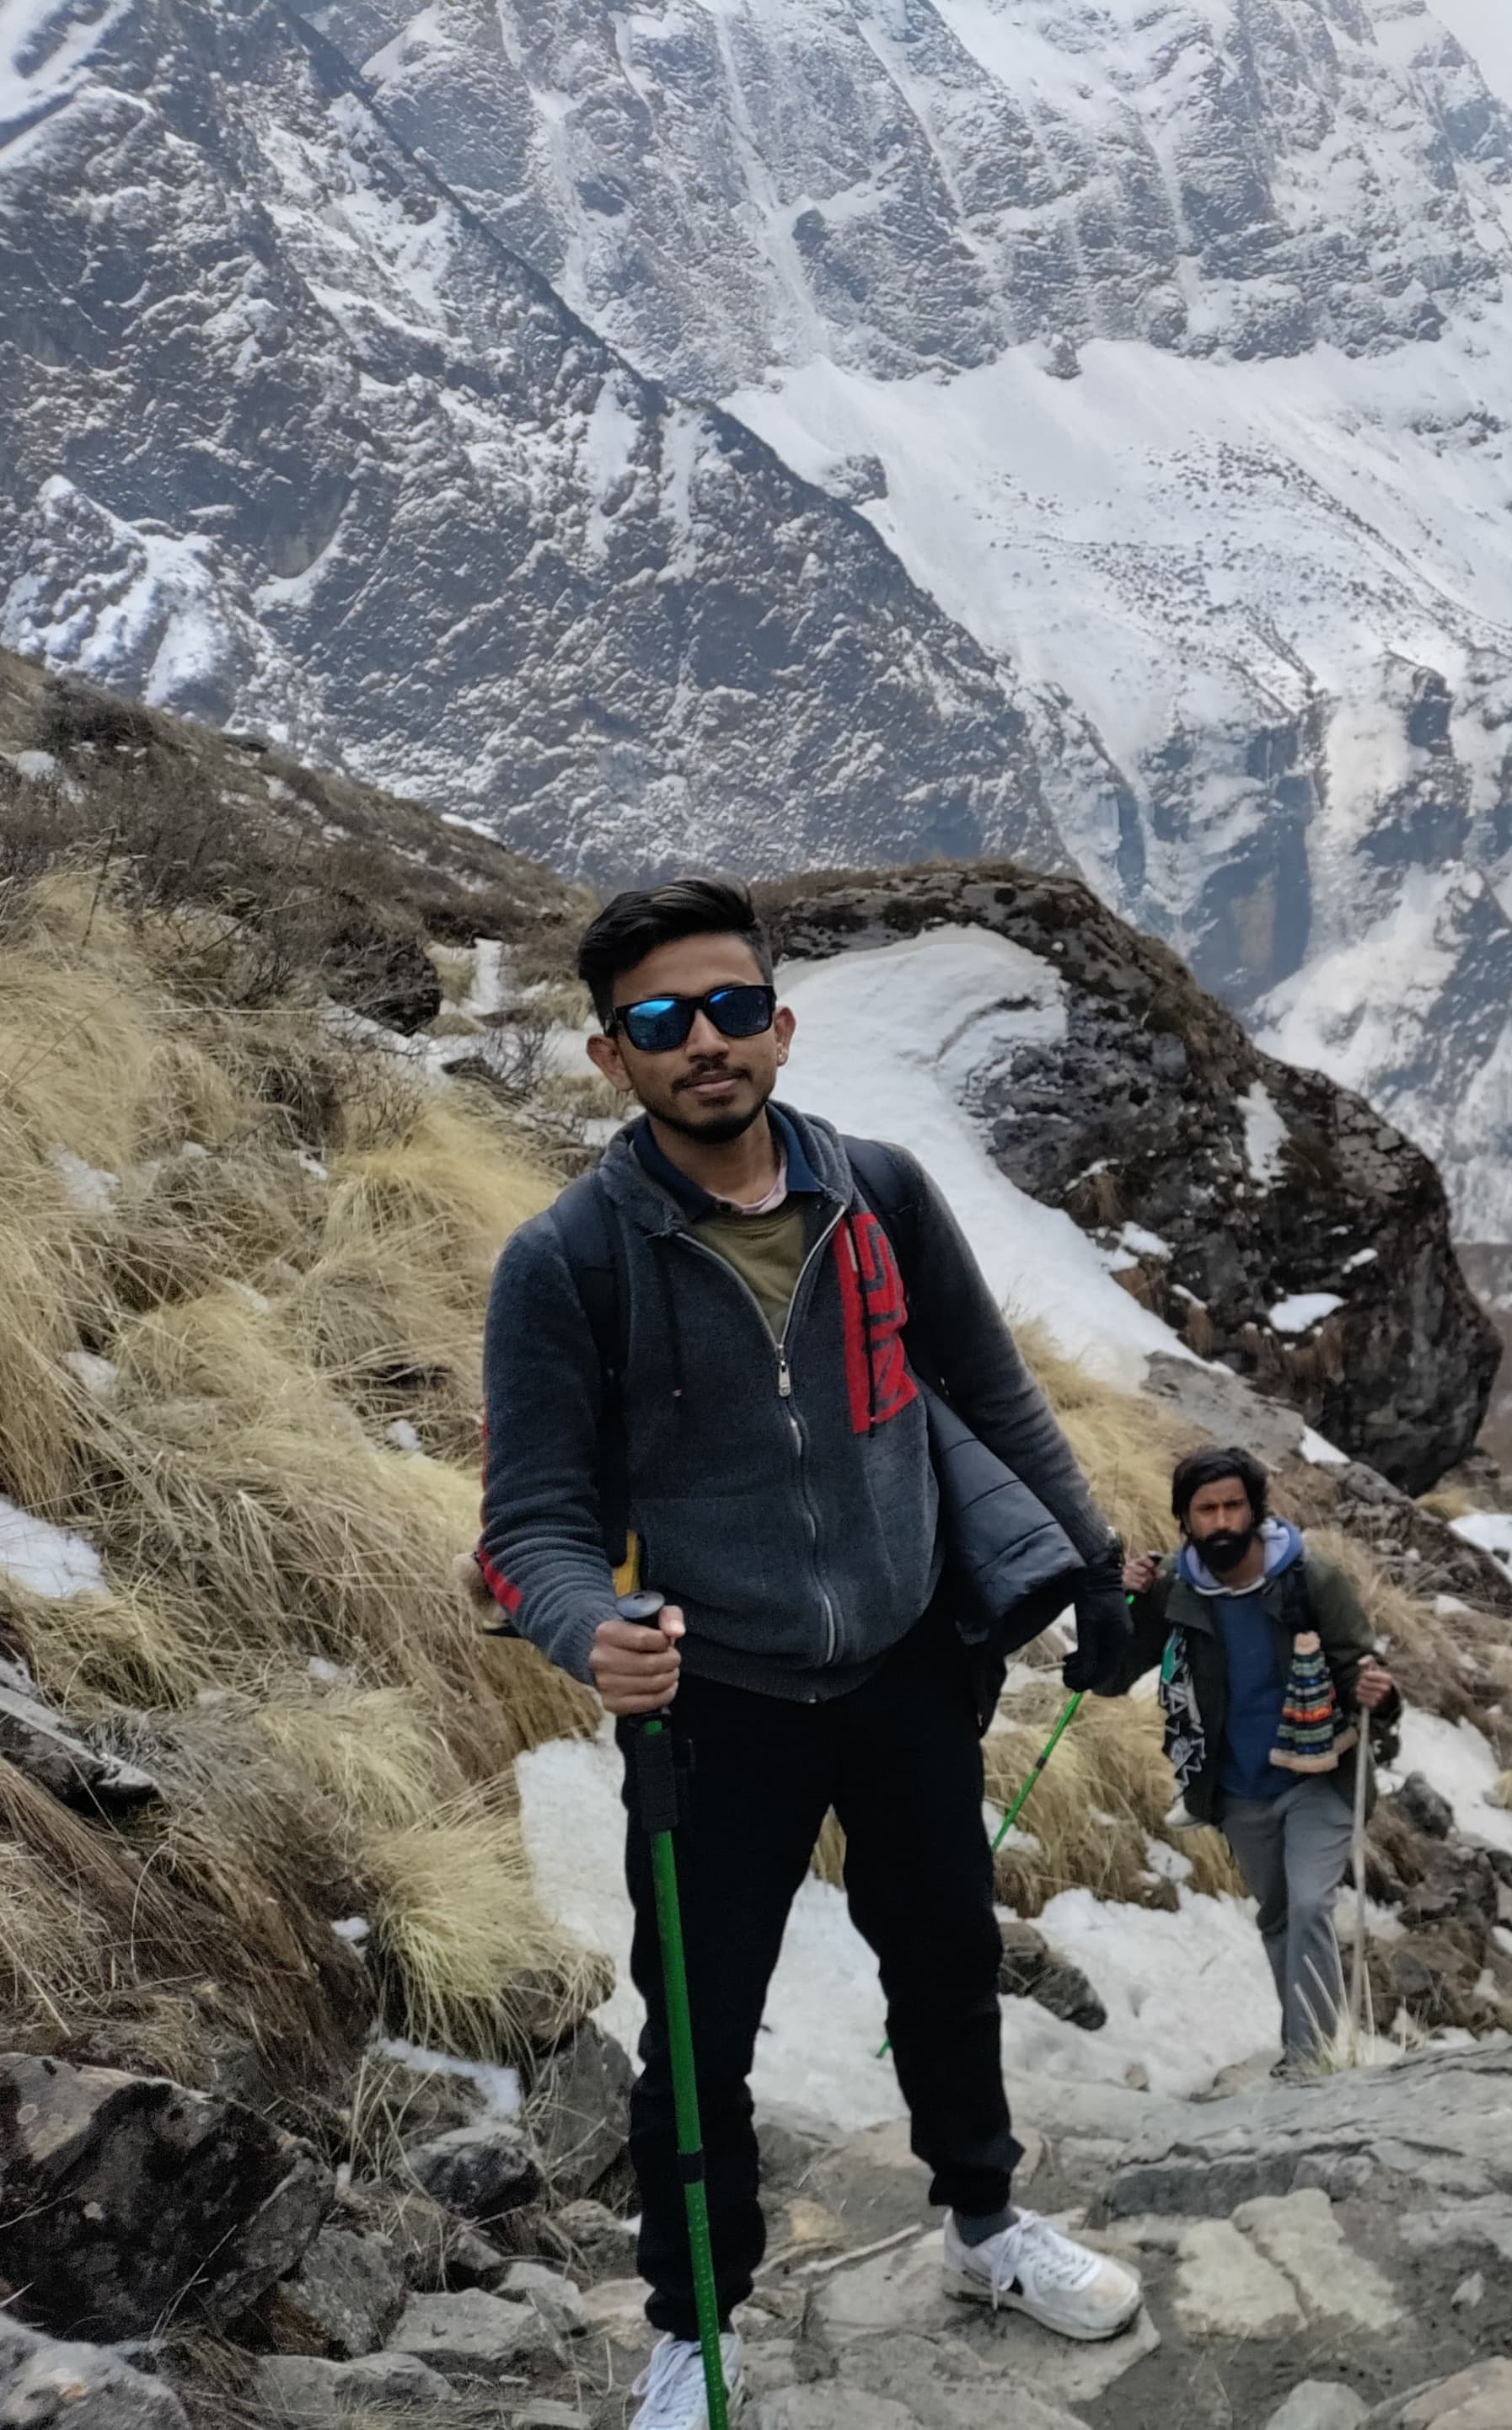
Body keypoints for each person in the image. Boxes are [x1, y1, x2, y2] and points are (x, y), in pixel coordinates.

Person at [475, 878, 1144, 2430]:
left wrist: (1097, 1564)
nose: (700, 1042)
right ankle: (693, 2328)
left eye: (725, 1008)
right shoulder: (567, 1261)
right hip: (716, 1697)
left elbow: (989, 1390)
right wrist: (596, 1633)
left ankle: (986, 2223)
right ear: (610, 1057)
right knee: (700, 2030)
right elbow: (533, 1522)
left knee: (948, 1959)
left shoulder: (887, 1197)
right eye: (659, 1021)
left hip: (909, 1660)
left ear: (778, 1022)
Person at [1086, 1446, 1400, 2070]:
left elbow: (1361, 1669)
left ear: (1256, 1510)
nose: (1223, 1520)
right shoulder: (1173, 1589)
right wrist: (1112, 1603)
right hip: (1235, 1788)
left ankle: (1308, 2061)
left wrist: (1381, 1695)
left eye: (1234, 1505)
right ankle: (1307, 2049)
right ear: (1186, 1518)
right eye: (1208, 1509)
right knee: (1281, 1913)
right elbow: (1109, 1676)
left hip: (1321, 1773)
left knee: (1311, 1903)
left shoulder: (1313, 1579)